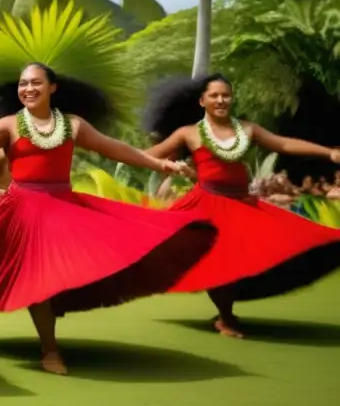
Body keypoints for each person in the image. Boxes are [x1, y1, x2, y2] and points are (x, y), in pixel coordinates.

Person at [0, 63, 216, 376]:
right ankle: (50, 349)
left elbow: (116, 149)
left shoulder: (73, 125)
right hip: (24, 212)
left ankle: (52, 330)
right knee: (39, 280)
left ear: (52, 88)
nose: (28, 89)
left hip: (64, 207)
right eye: (23, 84)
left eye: (35, 83)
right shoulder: (9, 125)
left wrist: (160, 165)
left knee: (67, 273)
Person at [143, 73, 340, 337]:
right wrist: (160, 163)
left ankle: (228, 312)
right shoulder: (188, 134)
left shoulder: (247, 129)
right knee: (220, 261)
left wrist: (327, 152)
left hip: (242, 204)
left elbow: (283, 144)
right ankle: (226, 318)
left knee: (288, 242)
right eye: (214, 95)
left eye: (225, 95)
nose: (221, 100)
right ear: (202, 101)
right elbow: (147, 156)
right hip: (207, 205)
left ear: (232, 98)